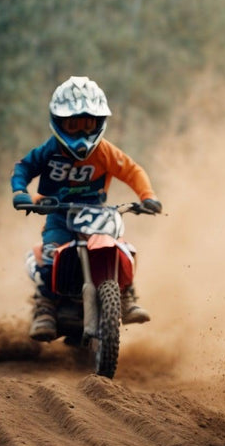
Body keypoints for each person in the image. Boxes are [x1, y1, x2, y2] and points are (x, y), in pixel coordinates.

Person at [11, 76, 163, 341]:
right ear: (59, 122)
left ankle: (126, 296)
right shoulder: (50, 150)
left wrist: (147, 196)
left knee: (121, 248)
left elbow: (132, 170)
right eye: (73, 125)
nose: (81, 133)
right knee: (50, 253)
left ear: (99, 122)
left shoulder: (104, 151)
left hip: (97, 214)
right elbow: (24, 167)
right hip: (59, 214)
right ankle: (45, 308)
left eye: (88, 124)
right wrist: (21, 193)